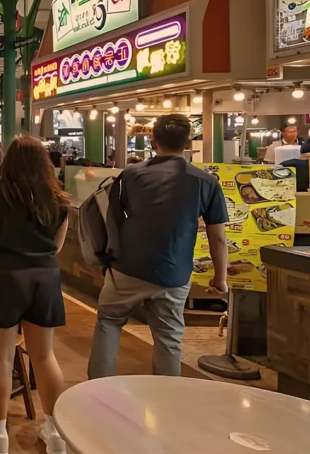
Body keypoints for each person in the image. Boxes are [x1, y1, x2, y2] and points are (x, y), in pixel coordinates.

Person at [89, 113, 229, 379]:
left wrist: (108, 261)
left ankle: (96, 391)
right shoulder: (206, 182)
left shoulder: (131, 174)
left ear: (153, 140)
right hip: (173, 273)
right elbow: (218, 237)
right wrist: (220, 278)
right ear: (189, 142)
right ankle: (165, 401)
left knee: (109, 322)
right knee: (168, 340)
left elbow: (112, 221)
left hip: (126, 268)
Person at [0, 135, 71, 454]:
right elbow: (56, 247)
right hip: (45, 278)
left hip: (6, 276)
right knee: (44, 356)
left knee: (1, 355)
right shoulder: (60, 198)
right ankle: (55, 433)